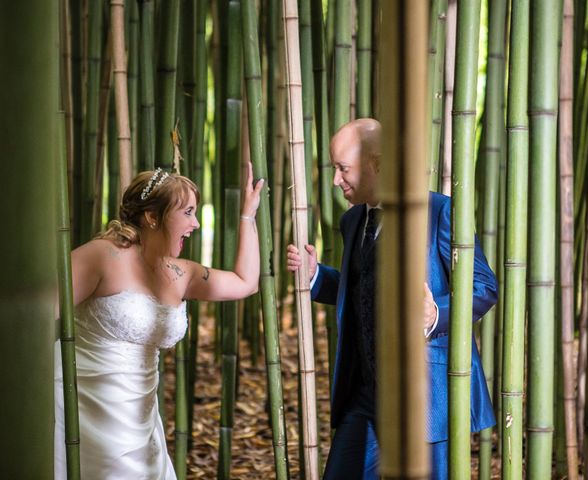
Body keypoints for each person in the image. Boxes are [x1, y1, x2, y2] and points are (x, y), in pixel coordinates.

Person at [287, 118, 498, 479]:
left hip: (424, 392)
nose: (336, 181)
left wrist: (435, 314)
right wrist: (316, 276)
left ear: (379, 164)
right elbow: (361, 290)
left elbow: (484, 286)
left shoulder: (438, 212)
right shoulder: (352, 220)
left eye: (343, 169)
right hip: (366, 391)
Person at [54, 165, 264, 479]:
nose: (194, 223)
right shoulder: (102, 257)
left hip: (140, 417)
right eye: (188, 212)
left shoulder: (180, 273)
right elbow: (35, 315)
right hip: (82, 408)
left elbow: (245, 282)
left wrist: (248, 215)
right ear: (153, 217)